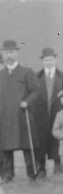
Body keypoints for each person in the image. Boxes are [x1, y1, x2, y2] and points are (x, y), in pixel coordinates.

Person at [0, 40, 43, 183]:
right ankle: (7, 176)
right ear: (3, 55)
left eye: (11, 52)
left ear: (17, 53)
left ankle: (33, 175)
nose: (9, 55)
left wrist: (26, 101)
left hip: (22, 116)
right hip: (5, 117)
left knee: (27, 147)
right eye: (6, 53)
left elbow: (35, 91)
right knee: (6, 148)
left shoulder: (26, 72)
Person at [36, 47, 63, 176]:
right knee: (41, 142)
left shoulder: (61, 76)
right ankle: (41, 169)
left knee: (57, 142)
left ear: (55, 60)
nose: (49, 62)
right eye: (46, 60)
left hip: (57, 114)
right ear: (42, 61)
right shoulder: (36, 77)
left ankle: (58, 168)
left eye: (51, 59)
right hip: (41, 116)